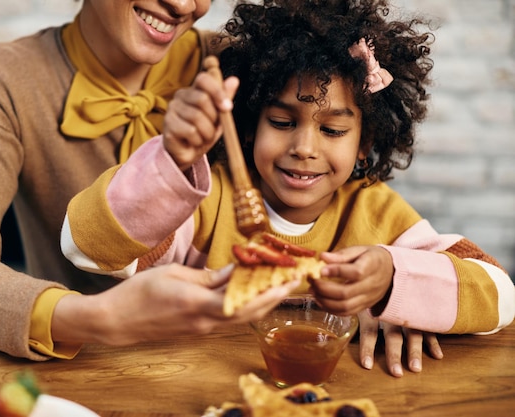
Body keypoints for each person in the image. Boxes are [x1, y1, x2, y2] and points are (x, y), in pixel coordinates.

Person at [61, 0, 515, 377]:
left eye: (333, 131)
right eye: (281, 123)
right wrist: (173, 159)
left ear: (366, 143)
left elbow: (500, 294)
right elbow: (85, 247)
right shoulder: (206, 198)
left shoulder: (375, 213)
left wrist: (395, 279)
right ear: (250, 122)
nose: (303, 148)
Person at [0, 0, 298, 361]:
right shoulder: (10, 78)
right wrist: (97, 317)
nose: (184, 5)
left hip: (233, 367)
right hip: (71, 373)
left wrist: (354, 294)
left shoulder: (243, 59)